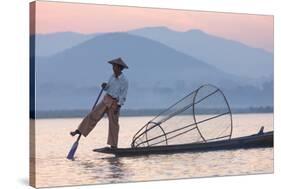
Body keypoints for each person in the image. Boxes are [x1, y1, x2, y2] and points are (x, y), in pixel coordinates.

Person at [70, 57, 129, 149]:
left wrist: (118, 106)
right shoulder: (112, 76)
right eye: (113, 67)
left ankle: (113, 145)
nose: (113, 69)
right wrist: (104, 86)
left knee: (113, 124)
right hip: (106, 99)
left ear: (119, 68)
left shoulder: (124, 81)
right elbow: (107, 88)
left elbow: (123, 95)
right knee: (93, 115)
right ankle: (79, 130)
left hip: (115, 103)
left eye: (115, 67)